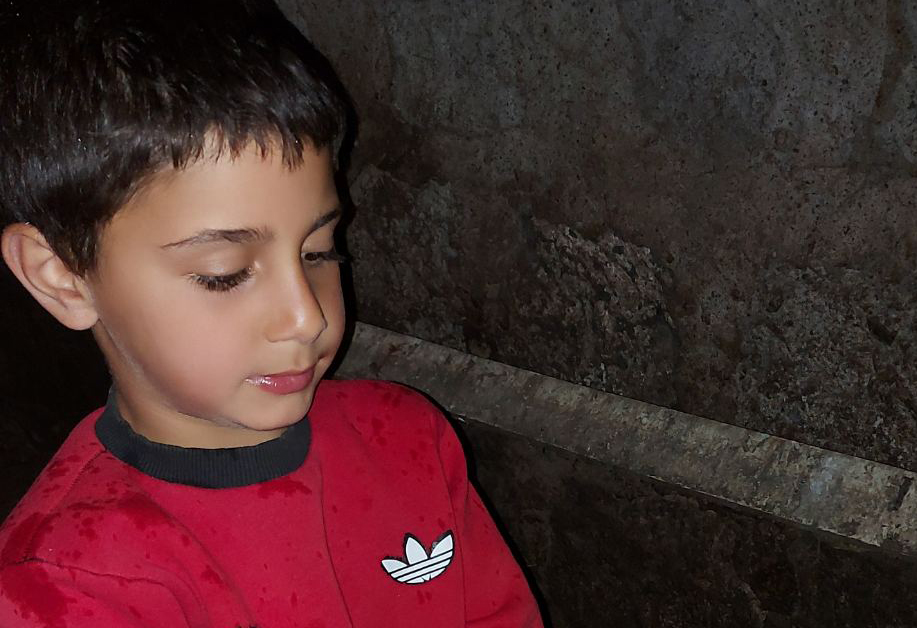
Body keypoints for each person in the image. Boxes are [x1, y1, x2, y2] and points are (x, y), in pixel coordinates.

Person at [0, 1, 543, 626]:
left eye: (319, 251)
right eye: (225, 272)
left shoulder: (409, 439)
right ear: (61, 277)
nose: (304, 317)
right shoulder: (66, 587)